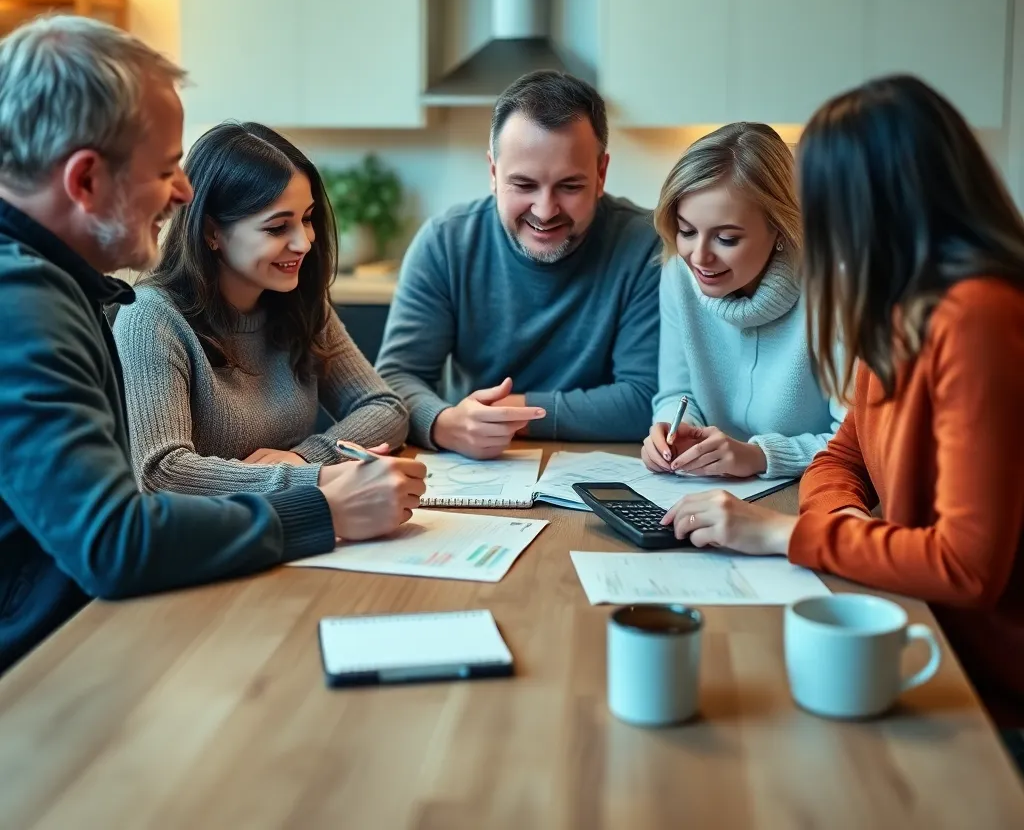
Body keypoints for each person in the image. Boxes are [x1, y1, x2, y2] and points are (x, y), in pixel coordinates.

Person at [0, 16, 425, 675]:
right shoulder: (23, 307)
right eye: (167, 168)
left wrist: (306, 470)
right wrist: (318, 503)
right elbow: (117, 537)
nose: (185, 192)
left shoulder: (58, 286)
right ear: (84, 182)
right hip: (45, 669)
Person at [660, 76, 1024, 752]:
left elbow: (967, 569)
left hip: (984, 690)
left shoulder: (980, 315)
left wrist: (782, 535)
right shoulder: (895, 305)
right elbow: (842, 455)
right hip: (911, 627)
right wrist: (845, 526)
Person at [375, 70, 660, 458]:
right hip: (473, 465)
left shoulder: (646, 246)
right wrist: (443, 422)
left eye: (569, 186)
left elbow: (646, 400)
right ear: (493, 173)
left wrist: (510, 414)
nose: (545, 210)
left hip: (607, 465)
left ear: (601, 174)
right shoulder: (445, 242)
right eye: (524, 185)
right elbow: (394, 377)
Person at [113, 121, 408, 495]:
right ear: (211, 233)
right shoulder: (150, 318)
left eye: (307, 218)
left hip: (288, 526)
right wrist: (303, 480)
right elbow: (161, 474)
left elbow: (386, 408)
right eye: (277, 228)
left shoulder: (299, 302)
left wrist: (307, 458)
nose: (304, 242)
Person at [641, 123, 842, 479]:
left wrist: (758, 456)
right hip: (707, 490)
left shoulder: (835, 287)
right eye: (687, 231)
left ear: (779, 227)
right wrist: (671, 430)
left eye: (727, 239)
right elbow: (677, 392)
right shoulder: (678, 272)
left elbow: (857, 442)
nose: (699, 257)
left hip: (807, 493)